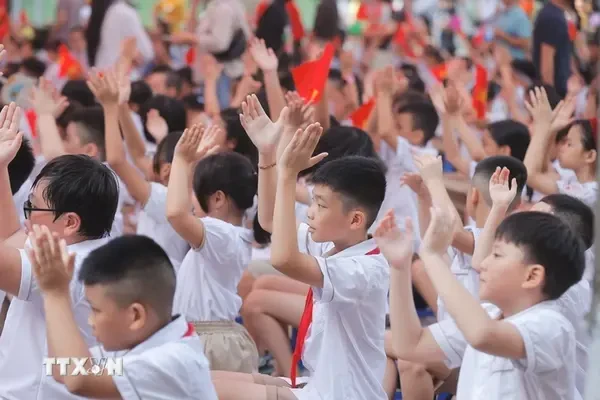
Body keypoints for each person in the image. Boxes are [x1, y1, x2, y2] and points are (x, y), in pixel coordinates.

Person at [213, 111, 389, 399]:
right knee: (200, 375)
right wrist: (267, 152)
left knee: (206, 387)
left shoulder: (365, 269)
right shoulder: (333, 245)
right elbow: (270, 219)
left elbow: (283, 259)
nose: (310, 212)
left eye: (320, 205)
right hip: (319, 385)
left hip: (342, 395)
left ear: (355, 220)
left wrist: (287, 174)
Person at [379, 206, 584, 399]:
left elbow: (481, 335)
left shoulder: (552, 325)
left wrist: (431, 256)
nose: (484, 264)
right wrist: (400, 267)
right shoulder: (489, 314)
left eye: (496, 255)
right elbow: (410, 345)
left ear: (532, 276)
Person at [28, 230, 219, 399]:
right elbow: (62, 369)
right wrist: (50, 292)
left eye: (95, 310)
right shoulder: (136, 344)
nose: (90, 320)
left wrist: (55, 292)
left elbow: (78, 378)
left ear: (135, 316)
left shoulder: (173, 360)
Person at [0, 152, 119, 399]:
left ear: (70, 222)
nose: (27, 216)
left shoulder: (66, 265)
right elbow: (9, 240)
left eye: (32, 207)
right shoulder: (92, 246)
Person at [166, 124, 259, 372]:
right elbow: (186, 207)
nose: (191, 200)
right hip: (211, 336)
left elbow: (177, 212)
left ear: (218, 198)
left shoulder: (220, 234)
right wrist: (192, 164)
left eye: (198, 194)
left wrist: (181, 159)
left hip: (208, 341)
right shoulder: (229, 234)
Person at [88, 70, 190, 268]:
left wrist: (109, 108)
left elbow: (118, 160)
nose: (146, 163)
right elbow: (138, 153)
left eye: (156, 161)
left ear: (166, 170)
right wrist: (122, 106)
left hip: (153, 279)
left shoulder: (164, 197)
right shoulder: (182, 193)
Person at [524, 87, 597, 207]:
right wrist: (551, 130)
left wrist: (542, 128)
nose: (562, 148)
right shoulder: (575, 179)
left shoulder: (591, 193)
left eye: (569, 144)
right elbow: (543, 171)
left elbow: (531, 175)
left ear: (590, 155)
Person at [86, 0, 154, 68]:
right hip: (118, 74)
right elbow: (147, 53)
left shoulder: (108, 10)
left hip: (102, 71)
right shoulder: (125, 12)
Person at [533, 0, 578, 96]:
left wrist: (575, 72)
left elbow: (565, 50)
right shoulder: (552, 17)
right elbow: (546, 65)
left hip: (562, 88)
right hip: (556, 92)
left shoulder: (559, 15)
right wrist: (551, 98)